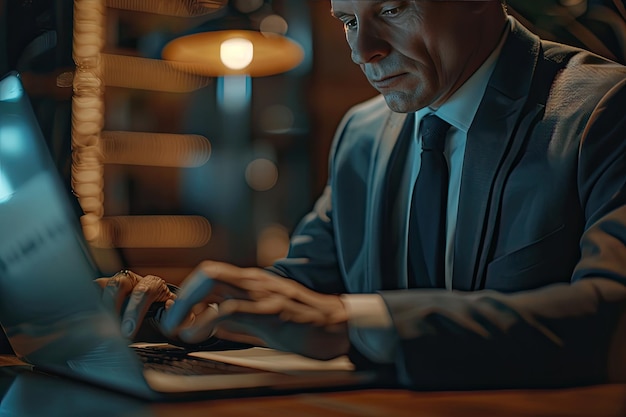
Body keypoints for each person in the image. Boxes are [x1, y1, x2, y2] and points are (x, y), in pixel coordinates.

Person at [105, 0, 626, 390]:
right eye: (348, 21)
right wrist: (175, 311)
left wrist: (349, 322)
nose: (362, 50)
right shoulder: (362, 134)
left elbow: (612, 319)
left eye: (392, 9)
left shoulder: (606, 109)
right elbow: (300, 287)